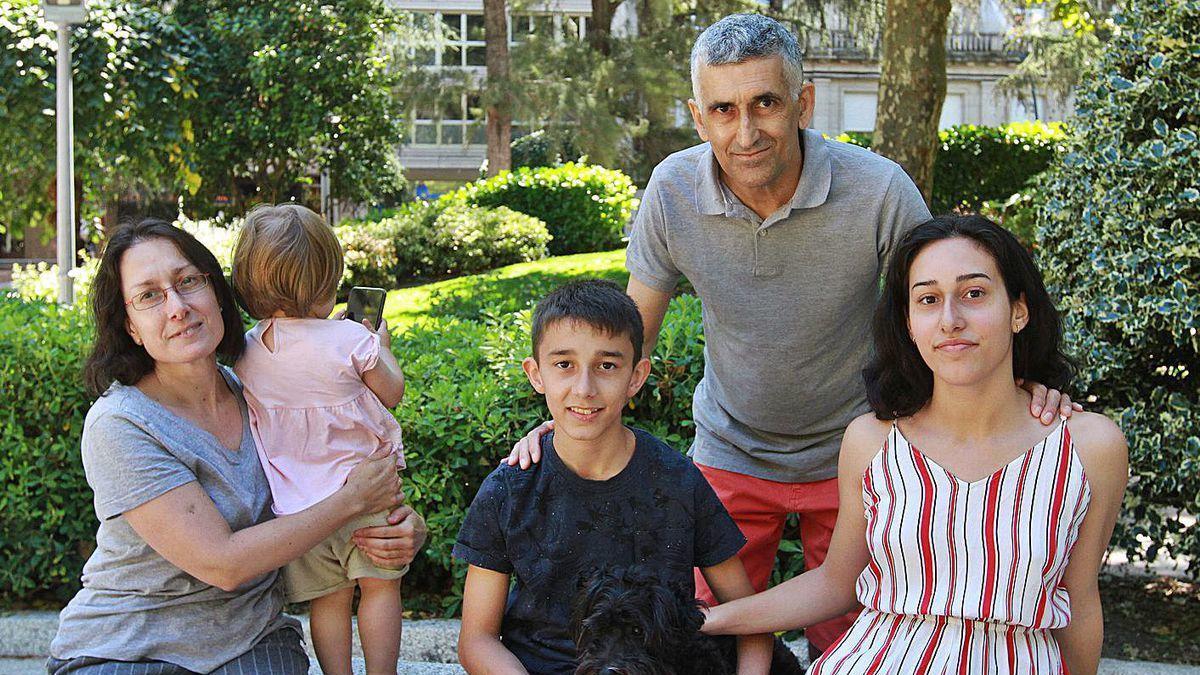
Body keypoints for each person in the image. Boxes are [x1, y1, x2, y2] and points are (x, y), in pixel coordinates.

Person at [507, 13, 1078, 657]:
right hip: (730, 448)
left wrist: (1026, 383)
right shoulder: (672, 191)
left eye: (766, 103)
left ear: (803, 103)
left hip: (864, 451)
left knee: (859, 641)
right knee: (696, 639)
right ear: (698, 117)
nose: (745, 131)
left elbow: (947, 300)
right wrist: (576, 412)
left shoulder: (879, 190)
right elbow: (626, 337)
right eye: (723, 109)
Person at [700, 215, 1129, 674]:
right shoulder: (871, 441)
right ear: (908, 322)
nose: (950, 320)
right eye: (928, 300)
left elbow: (1079, 599)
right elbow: (834, 584)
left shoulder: (1090, 446)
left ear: (1019, 311)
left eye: (974, 294)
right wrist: (706, 620)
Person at [48, 218, 426, 675]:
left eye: (188, 281)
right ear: (130, 325)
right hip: (130, 648)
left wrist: (400, 530)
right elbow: (222, 563)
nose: (177, 306)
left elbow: (324, 476)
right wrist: (354, 502)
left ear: (216, 291)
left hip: (251, 643)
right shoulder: (122, 424)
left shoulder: (260, 390)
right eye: (149, 295)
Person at [455, 280, 775, 674]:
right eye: (564, 365)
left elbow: (751, 621)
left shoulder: (678, 481)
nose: (584, 388)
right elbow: (476, 639)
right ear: (536, 375)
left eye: (607, 366)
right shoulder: (509, 491)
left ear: (636, 377)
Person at [231, 204, 408, 675]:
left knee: (328, 601)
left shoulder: (245, 352)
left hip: (300, 512)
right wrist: (382, 348)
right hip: (367, 493)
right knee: (379, 588)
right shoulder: (349, 338)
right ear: (326, 280)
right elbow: (392, 393)